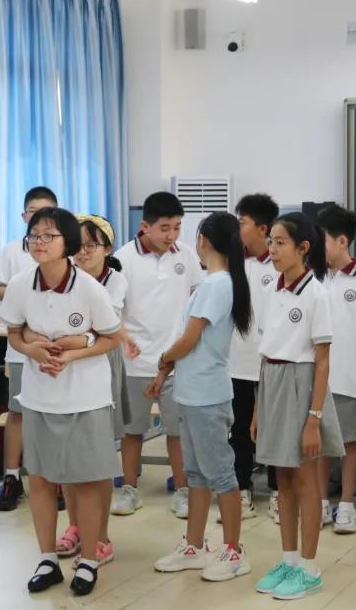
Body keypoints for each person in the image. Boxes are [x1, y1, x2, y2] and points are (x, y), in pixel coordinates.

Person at [0, 207, 123, 596]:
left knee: (86, 481)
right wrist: (31, 350)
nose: (39, 242)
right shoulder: (20, 285)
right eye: (34, 235)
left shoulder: (89, 288)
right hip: (39, 396)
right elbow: (14, 333)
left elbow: (112, 337)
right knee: (40, 479)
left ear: (67, 242)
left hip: (85, 397)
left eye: (48, 235)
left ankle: (88, 560)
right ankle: (47, 559)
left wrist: (72, 355)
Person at [152, 211, 253, 582]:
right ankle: (194, 546)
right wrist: (168, 367)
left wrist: (163, 359)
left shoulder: (217, 285)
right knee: (195, 474)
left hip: (208, 396)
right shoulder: (216, 283)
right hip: (193, 393)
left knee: (221, 474)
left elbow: (190, 339)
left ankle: (234, 551)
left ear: (204, 240)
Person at [251, 212, 346, 599]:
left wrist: (313, 419)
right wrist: (258, 409)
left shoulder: (317, 294)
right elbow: (266, 352)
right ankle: (289, 560)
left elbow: (322, 361)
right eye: (270, 242)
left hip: (301, 384)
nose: (272, 249)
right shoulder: (272, 290)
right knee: (283, 479)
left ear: (303, 248)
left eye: (280, 243)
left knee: (306, 479)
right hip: (272, 382)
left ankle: (308, 567)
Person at [112, 192, 204, 518]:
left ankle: (182, 490)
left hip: (177, 361)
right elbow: (113, 310)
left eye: (177, 227)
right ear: (145, 226)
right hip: (135, 362)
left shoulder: (187, 256)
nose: (171, 235)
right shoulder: (123, 259)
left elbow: (198, 301)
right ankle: (129, 489)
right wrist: (126, 340)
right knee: (132, 431)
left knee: (178, 431)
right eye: (165, 228)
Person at [54, 214, 131, 567]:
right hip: (67, 367)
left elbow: (102, 331)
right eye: (78, 246)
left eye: (91, 245)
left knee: (98, 458)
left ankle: (100, 536)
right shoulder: (62, 277)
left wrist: (74, 339)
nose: (83, 253)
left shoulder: (115, 281)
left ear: (107, 249)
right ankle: (75, 527)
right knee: (69, 455)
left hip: (101, 364)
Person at [0, 186, 59, 512]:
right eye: (33, 212)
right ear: (23, 216)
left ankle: (55, 478)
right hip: (20, 348)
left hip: (55, 347)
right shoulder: (12, 250)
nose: (39, 217)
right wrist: (22, 288)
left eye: (46, 211)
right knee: (17, 412)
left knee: (54, 414)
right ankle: (12, 477)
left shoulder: (63, 248)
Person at [317, 204, 356, 535]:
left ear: (342, 241)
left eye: (322, 240)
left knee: (350, 443)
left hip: (348, 378)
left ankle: (347, 504)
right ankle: (320, 503)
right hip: (318, 379)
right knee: (319, 445)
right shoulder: (315, 278)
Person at [227, 193, 279, 521]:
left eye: (242, 222)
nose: (238, 228)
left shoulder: (280, 262)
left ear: (262, 228)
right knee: (239, 430)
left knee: (273, 429)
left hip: (272, 361)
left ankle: (278, 491)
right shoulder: (233, 262)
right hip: (238, 361)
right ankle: (242, 489)